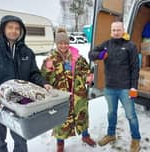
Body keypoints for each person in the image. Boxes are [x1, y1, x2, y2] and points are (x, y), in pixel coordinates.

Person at [0, 15, 52, 152]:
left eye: (17, 28)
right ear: (3, 29)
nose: (14, 31)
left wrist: (43, 83)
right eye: (10, 27)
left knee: (21, 140)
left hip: (20, 105)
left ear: (21, 31)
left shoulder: (27, 52)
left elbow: (33, 73)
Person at [88, 21, 141, 152]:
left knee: (131, 115)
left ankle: (136, 139)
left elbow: (135, 67)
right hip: (110, 88)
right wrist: (100, 55)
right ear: (111, 31)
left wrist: (134, 87)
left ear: (123, 30)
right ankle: (111, 135)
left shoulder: (130, 46)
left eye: (118, 29)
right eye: (114, 30)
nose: (116, 32)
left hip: (125, 88)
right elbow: (91, 54)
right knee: (111, 113)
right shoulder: (106, 45)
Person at [41, 28, 96, 152]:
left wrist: (88, 76)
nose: (63, 45)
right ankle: (60, 144)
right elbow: (44, 79)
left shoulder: (77, 56)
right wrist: (48, 69)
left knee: (82, 115)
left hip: (79, 94)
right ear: (56, 44)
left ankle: (85, 136)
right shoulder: (50, 59)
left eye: (65, 43)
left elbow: (86, 70)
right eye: (60, 43)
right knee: (60, 120)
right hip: (61, 96)